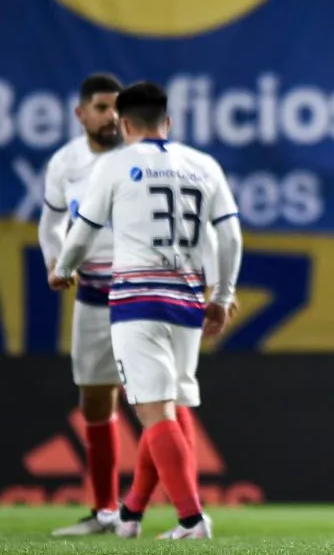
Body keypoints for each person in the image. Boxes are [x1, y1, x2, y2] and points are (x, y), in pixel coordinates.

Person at [49, 81, 243, 540]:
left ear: (126, 123)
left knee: (154, 413)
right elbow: (230, 236)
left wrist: (63, 268)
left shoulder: (115, 163)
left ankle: (192, 520)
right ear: (168, 122)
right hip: (188, 300)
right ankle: (132, 511)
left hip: (138, 299)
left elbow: (83, 229)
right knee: (167, 408)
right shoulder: (203, 164)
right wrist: (222, 296)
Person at [37, 74, 138, 536]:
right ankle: (105, 511)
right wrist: (56, 260)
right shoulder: (65, 163)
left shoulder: (139, 156)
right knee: (96, 401)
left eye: (117, 107)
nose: (111, 116)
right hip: (93, 295)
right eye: (101, 107)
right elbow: (51, 222)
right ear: (81, 114)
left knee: (159, 398)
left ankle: (187, 513)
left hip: (142, 288)